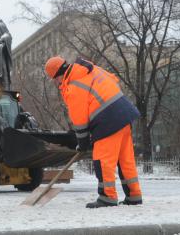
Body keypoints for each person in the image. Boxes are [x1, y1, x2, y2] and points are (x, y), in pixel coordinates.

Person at [44, 56, 142, 208]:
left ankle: (107, 197)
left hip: (108, 120)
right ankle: (134, 195)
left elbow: (80, 120)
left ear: (58, 76)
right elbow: (113, 80)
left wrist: (82, 143)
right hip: (124, 113)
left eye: (55, 80)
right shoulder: (90, 69)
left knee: (102, 160)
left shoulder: (73, 85)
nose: (56, 83)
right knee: (125, 160)